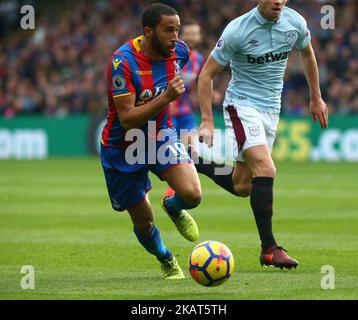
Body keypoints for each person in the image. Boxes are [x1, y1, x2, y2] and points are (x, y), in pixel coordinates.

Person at [197, 0, 329, 269]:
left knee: (242, 186)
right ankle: (269, 248)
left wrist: (316, 97)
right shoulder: (237, 30)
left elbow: (307, 54)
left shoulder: (295, 23)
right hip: (242, 105)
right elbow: (207, 75)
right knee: (266, 169)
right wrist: (207, 120)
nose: (278, 2)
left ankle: (193, 159)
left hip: (271, 109)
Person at [100, 3, 202, 280]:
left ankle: (173, 206)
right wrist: (166, 98)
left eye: (177, 30)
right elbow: (128, 119)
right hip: (123, 147)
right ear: (148, 32)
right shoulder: (123, 63)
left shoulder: (179, 53)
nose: (176, 37)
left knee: (193, 194)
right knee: (144, 221)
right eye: (169, 30)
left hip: (160, 136)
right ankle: (166, 258)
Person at [165, 20, 205, 197]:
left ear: (199, 37)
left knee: (192, 151)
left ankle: (180, 189)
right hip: (167, 110)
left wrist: (212, 94)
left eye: (194, 33)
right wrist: (170, 103)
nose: (191, 37)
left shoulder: (199, 60)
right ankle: (173, 188)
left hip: (185, 111)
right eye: (188, 33)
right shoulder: (172, 56)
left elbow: (199, 82)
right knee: (170, 153)